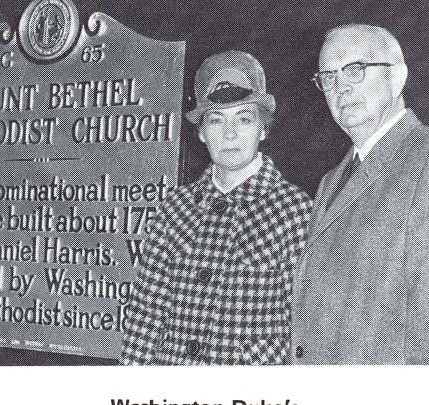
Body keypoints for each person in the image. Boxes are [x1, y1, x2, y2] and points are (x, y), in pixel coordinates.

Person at [291, 24, 429, 364]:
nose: (341, 87)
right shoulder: (331, 181)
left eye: (355, 69)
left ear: (397, 78)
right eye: (328, 76)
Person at [121, 50, 312, 365]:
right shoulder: (175, 208)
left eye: (244, 119)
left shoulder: (293, 210)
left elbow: (304, 323)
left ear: (263, 129)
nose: (230, 133)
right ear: (200, 132)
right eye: (216, 120)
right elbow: (146, 313)